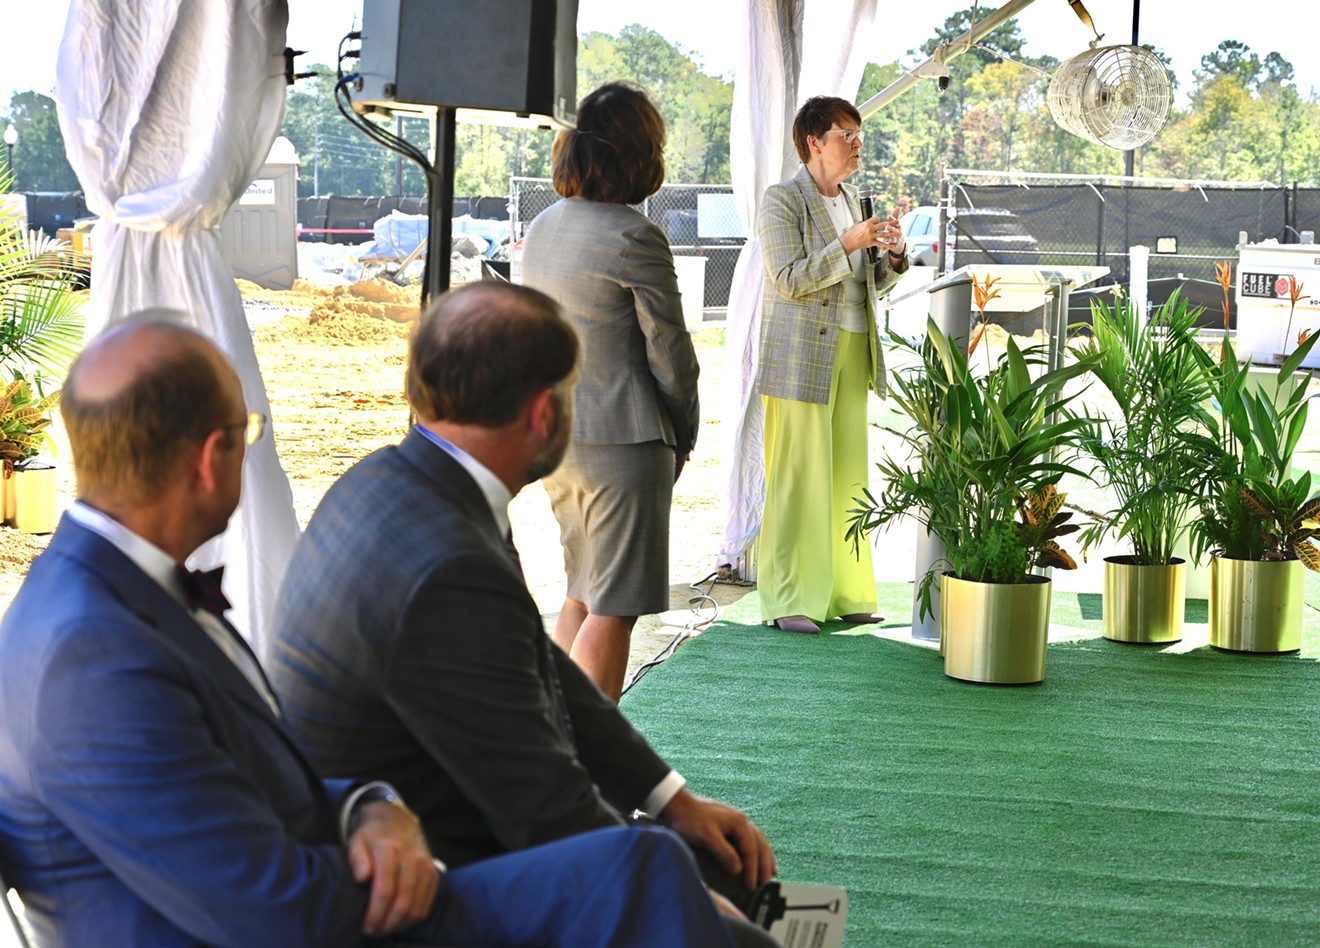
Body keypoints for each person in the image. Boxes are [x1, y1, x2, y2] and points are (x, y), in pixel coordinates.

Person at [0, 317, 738, 948]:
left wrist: (370, 808)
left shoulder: (110, 589)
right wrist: (416, 871)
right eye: (246, 433)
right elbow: (274, 912)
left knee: (649, 872)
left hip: (344, 875)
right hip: (337, 919)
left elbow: (252, 777)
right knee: (644, 875)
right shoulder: (89, 656)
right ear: (209, 458)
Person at [268, 283, 779, 947]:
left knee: (722, 862)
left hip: (419, 836)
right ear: (545, 414)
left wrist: (672, 800)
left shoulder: (399, 480)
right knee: (733, 918)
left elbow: (542, 666)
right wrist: (691, 905)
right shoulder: (447, 565)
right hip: (416, 891)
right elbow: (543, 809)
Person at [520, 81, 701, 701]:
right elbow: (671, 354)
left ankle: (553, 748)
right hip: (624, 442)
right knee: (614, 608)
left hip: (559, 436)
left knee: (580, 591)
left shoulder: (542, 227)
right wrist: (684, 433)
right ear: (637, 153)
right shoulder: (635, 236)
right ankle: (593, 771)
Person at [754, 95, 910, 635]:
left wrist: (891, 258)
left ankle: (847, 592)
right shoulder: (781, 199)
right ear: (813, 142)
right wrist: (848, 242)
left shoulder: (857, 201)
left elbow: (868, 285)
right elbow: (789, 280)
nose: (857, 144)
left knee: (847, 473)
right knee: (799, 476)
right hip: (799, 357)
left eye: (859, 134)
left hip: (853, 346)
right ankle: (789, 598)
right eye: (847, 134)